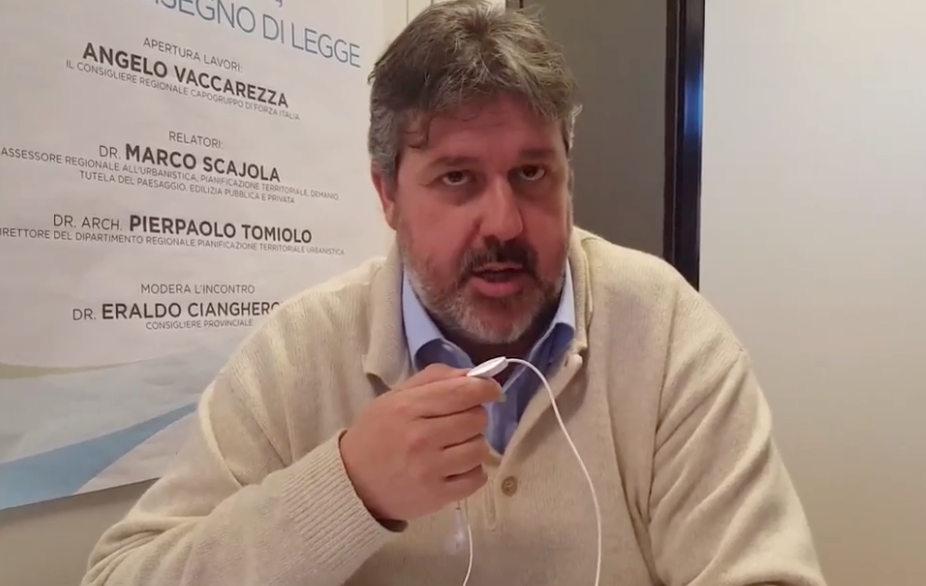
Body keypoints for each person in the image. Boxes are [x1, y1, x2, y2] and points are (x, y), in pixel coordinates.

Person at [81, 2, 826, 585]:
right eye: (457, 177)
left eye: (532, 173)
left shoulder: (664, 332)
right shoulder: (295, 357)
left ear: (569, 175)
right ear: (388, 195)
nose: (503, 222)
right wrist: (347, 488)